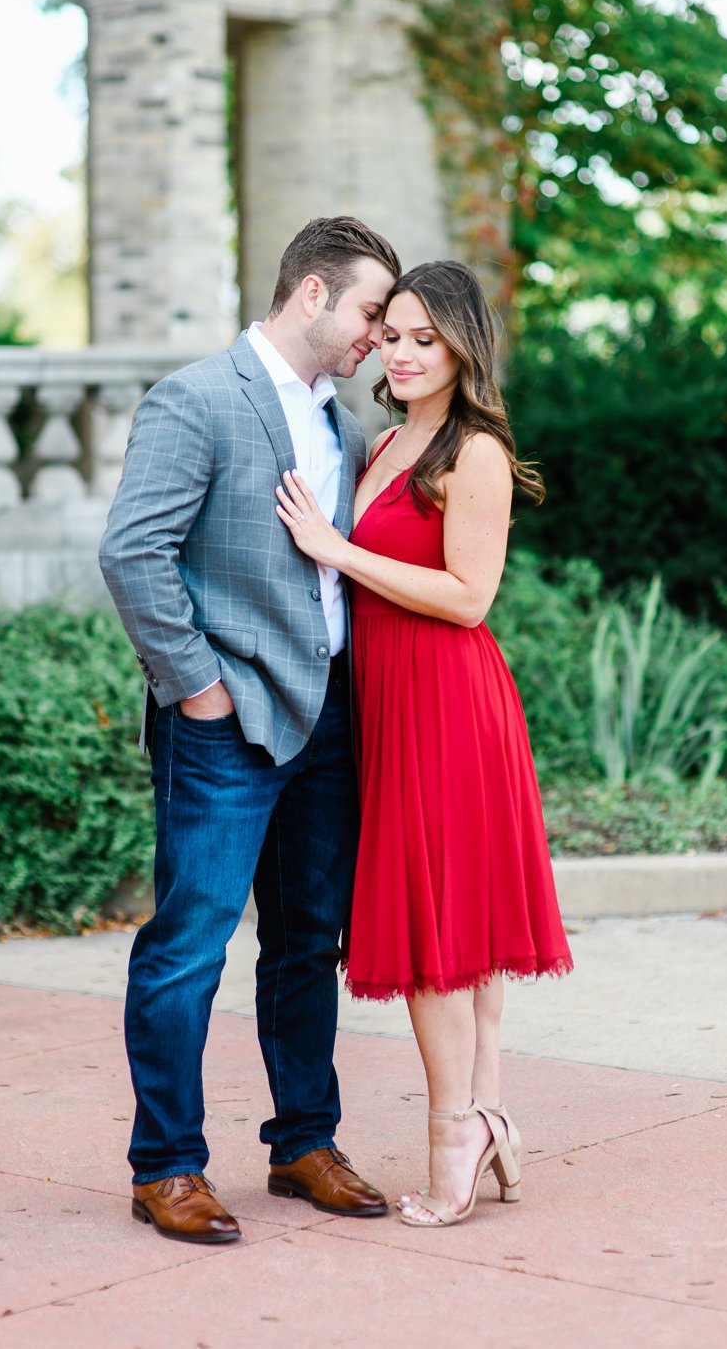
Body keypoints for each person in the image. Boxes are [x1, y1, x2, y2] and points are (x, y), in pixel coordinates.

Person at [99, 216, 401, 1244]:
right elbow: (134, 553)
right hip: (225, 727)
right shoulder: (195, 399)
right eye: (368, 311)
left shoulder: (339, 426)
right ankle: (166, 1166)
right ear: (312, 294)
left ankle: (303, 1142)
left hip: (327, 722)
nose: (377, 336)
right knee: (189, 946)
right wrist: (197, 691)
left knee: (307, 943)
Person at [275, 259, 573, 1229]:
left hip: (450, 704)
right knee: (462, 933)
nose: (400, 354)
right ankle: (485, 1114)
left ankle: (455, 1136)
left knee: (442, 936)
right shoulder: (389, 442)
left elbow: (467, 598)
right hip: (392, 703)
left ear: (460, 348)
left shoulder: (471, 451)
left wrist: (338, 549)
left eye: (422, 340)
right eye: (391, 335)